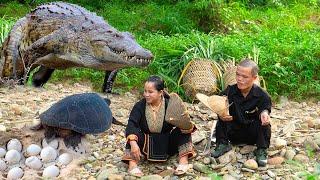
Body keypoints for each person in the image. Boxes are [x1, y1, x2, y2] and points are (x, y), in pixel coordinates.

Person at [122, 75, 196, 177]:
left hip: (167, 143)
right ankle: (132, 165)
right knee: (132, 136)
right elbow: (131, 124)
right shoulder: (140, 105)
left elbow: (184, 122)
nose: (146, 94)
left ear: (160, 92)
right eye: (145, 91)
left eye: (150, 92)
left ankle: (183, 162)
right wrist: (134, 144)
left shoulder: (170, 104)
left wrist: (184, 123)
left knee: (184, 129)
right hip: (146, 144)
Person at [209, 59, 271, 167]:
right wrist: (221, 113)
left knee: (265, 123)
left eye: (245, 77)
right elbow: (216, 102)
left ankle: (261, 149)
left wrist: (264, 114)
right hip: (233, 133)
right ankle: (222, 144)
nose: (239, 79)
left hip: (252, 135)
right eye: (238, 75)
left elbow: (265, 108)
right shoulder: (229, 91)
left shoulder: (262, 95)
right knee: (221, 118)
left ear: (254, 78)